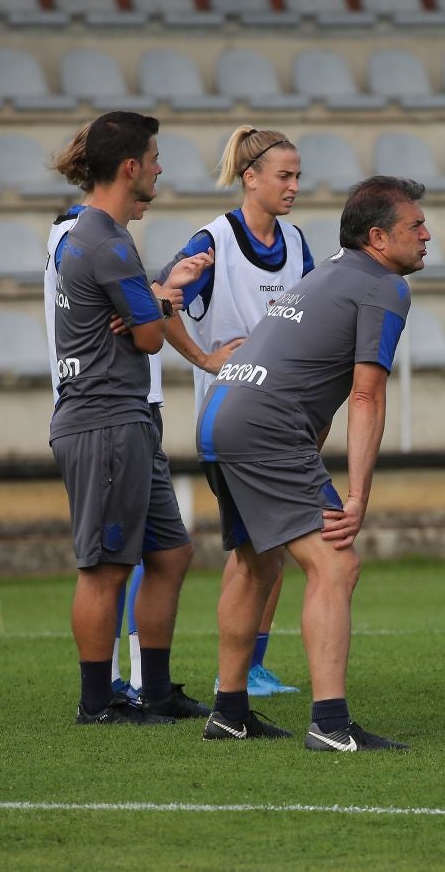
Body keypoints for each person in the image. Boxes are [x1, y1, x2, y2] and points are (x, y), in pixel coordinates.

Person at [196, 176, 423, 750]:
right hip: (263, 426)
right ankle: (330, 724)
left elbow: (313, 385)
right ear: (378, 237)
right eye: (414, 227)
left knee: (256, 560)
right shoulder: (384, 287)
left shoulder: (325, 272)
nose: (427, 236)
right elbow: (367, 395)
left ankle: (228, 710)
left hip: (220, 411)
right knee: (337, 565)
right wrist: (357, 498)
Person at [47, 111, 212, 725]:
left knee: (170, 554)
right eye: (155, 158)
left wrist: (153, 296)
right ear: (130, 167)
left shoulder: (96, 238)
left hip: (127, 420)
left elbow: (143, 317)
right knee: (106, 568)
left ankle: (158, 691)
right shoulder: (108, 242)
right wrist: (151, 303)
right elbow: (148, 338)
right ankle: (100, 702)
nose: (161, 168)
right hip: (105, 422)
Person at [162, 126, 316, 697]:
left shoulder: (296, 241)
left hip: (282, 416)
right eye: (285, 175)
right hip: (234, 419)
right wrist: (204, 357)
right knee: (256, 550)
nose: (294, 185)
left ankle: (252, 667)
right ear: (250, 178)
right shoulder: (213, 240)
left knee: (268, 547)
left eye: (298, 175)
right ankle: (239, 673)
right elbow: (159, 299)